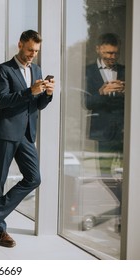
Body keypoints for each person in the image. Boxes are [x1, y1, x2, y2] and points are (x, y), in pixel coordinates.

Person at [0, 30, 55, 247]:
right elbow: (2, 101)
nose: (33, 54)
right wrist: (30, 91)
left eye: (36, 51)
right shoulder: (3, 69)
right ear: (20, 44)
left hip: (27, 134)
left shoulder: (37, 69)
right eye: (30, 49)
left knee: (34, 178)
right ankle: (0, 231)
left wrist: (47, 94)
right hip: (6, 132)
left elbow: (37, 105)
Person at [84, 33, 125, 216]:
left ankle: (125, 211)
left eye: (115, 53)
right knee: (104, 174)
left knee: (129, 173)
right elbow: (86, 103)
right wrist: (101, 92)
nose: (112, 57)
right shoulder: (87, 71)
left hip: (126, 131)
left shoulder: (127, 70)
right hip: (102, 132)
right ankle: (124, 205)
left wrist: (127, 91)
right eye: (108, 53)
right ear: (98, 49)